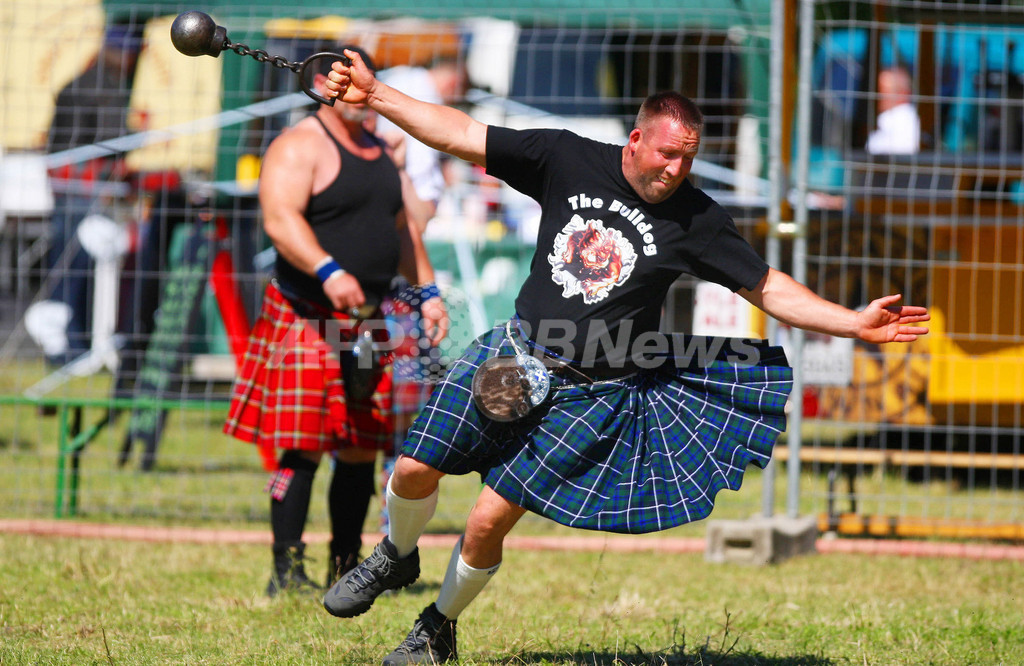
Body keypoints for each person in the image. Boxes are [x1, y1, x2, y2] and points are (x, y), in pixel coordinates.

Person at [321, 51, 930, 665]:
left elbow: (766, 286)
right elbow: (461, 133)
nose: (677, 168)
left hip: (594, 392)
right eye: (668, 153)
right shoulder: (566, 157)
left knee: (487, 519)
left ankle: (437, 627)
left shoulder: (697, 220)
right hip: (516, 355)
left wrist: (852, 322)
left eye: (688, 156)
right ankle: (395, 556)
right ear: (637, 139)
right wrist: (375, 96)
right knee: (416, 468)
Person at [222, 45, 447, 597]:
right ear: (323, 85)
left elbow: (403, 230)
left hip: (369, 319)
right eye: (345, 84)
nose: (357, 96)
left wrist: (429, 293)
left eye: (363, 84)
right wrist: (327, 270)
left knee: (360, 445)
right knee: (300, 443)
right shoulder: (299, 145)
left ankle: (345, 566)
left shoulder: (379, 150)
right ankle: (285, 570)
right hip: (306, 312)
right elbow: (280, 219)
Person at [44, 24, 141, 366]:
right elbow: (113, 140)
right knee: (77, 268)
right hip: (84, 186)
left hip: (66, 183)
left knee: (69, 263)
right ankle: (67, 347)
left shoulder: (81, 78)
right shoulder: (106, 83)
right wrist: (139, 131)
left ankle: (70, 346)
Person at [865, 66, 921, 155]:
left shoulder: (903, 119)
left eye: (882, 91)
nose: (878, 97)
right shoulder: (888, 119)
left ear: (903, 93)